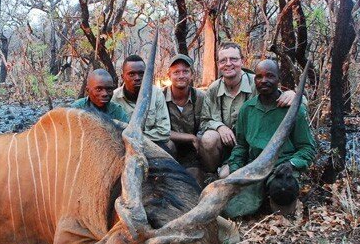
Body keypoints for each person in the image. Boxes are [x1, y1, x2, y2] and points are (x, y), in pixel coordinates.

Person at [223, 59, 316, 217]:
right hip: (254, 167)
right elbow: (241, 146)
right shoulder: (247, 109)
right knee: (230, 211)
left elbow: (307, 148)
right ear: (255, 81)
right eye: (259, 77)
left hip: (281, 168)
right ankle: (257, 198)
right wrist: (235, 169)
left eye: (270, 76)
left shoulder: (295, 111)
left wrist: (291, 164)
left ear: (278, 79)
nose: (264, 80)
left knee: (283, 189)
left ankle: (277, 202)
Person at [202, 43, 302, 177]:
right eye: (223, 60)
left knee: (231, 175)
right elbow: (204, 121)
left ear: (242, 61)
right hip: (225, 146)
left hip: (249, 147)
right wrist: (219, 127)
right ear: (218, 64)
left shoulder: (257, 82)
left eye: (233, 59)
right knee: (208, 138)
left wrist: (293, 95)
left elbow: (287, 100)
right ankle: (210, 174)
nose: (228, 64)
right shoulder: (213, 89)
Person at [163, 54, 219, 183]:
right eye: (176, 72)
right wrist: (190, 137)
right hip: (171, 149)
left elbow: (209, 121)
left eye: (185, 71)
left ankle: (210, 174)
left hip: (195, 150)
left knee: (194, 180)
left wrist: (197, 137)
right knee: (166, 144)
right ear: (169, 76)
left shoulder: (201, 97)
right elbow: (158, 130)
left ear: (192, 74)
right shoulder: (160, 97)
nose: (181, 75)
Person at [112, 55, 172, 149]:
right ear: (123, 77)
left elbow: (164, 132)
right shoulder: (114, 98)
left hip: (152, 144)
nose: (137, 78)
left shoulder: (156, 93)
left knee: (170, 147)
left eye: (141, 74)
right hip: (123, 146)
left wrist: (135, 137)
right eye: (132, 74)